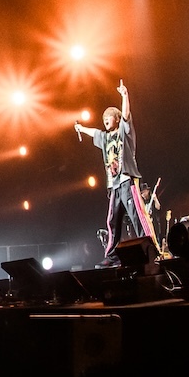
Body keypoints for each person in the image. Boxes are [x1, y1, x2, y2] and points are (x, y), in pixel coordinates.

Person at [74, 81, 157, 265]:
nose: (105, 120)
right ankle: (112, 255)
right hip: (114, 185)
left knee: (137, 216)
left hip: (127, 179)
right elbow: (94, 132)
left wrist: (125, 96)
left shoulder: (123, 132)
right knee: (112, 220)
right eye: (104, 118)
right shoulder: (104, 137)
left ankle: (150, 249)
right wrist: (81, 128)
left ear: (116, 119)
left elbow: (126, 115)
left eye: (109, 117)